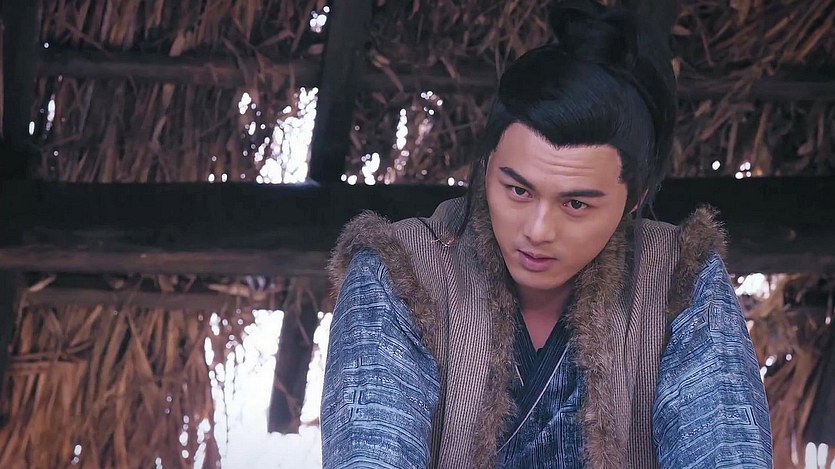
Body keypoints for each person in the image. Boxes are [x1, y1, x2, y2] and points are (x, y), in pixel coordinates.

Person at [320, 1, 773, 467]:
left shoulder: (680, 278)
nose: (537, 231)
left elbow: (725, 451)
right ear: (486, 167)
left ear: (633, 201)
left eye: (576, 204)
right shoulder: (400, 272)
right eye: (518, 190)